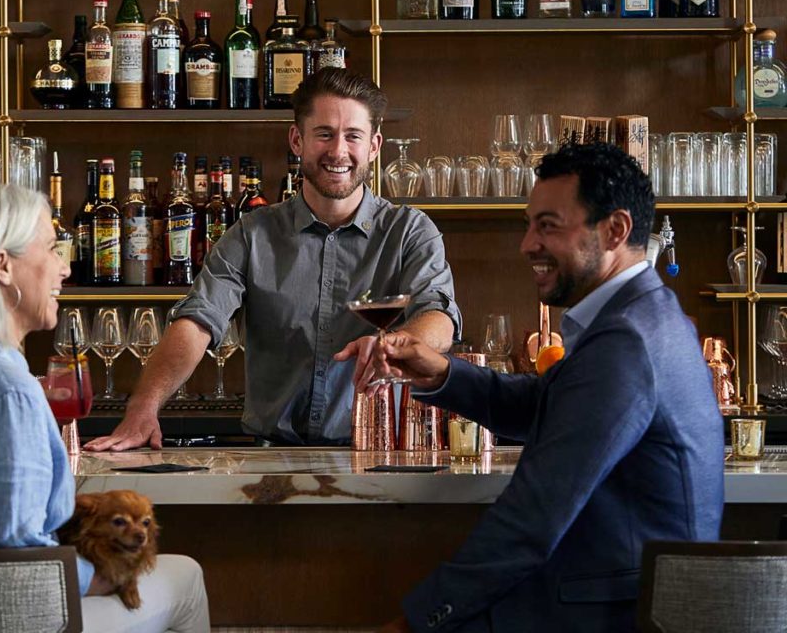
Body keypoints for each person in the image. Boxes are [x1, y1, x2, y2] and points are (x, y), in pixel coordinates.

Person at [352, 143, 725, 633]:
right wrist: (442, 372)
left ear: (615, 230)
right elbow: (548, 405)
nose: (527, 244)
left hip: (607, 612)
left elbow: (534, 516)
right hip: (612, 596)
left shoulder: (626, 341)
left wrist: (417, 622)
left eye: (548, 225)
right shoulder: (643, 315)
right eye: (529, 224)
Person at [0, 182, 210, 633]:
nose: (65, 267)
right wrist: (104, 578)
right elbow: (20, 564)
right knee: (184, 577)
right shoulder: (6, 390)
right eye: (51, 248)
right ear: (2, 266)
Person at [87, 68, 461, 449]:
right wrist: (143, 408)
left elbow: (440, 318)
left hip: (379, 452)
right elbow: (197, 320)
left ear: (374, 146)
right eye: (324, 134)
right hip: (271, 457)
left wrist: (393, 345)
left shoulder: (409, 231)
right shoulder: (252, 234)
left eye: (353, 136)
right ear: (297, 140)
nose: (338, 151)